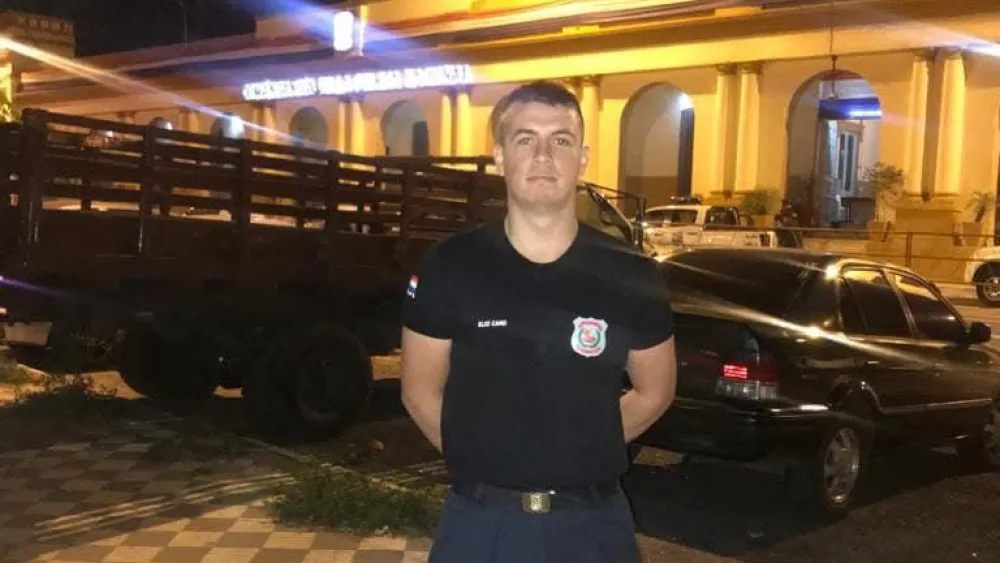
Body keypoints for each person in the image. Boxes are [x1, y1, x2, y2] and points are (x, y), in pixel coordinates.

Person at [401, 81, 677, 562]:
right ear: (500, 156)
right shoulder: (451, 265)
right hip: (479, 526)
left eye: (561, 141)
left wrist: (579, 449)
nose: (543, 156)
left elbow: (655, 391)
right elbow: (419, 391)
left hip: (593, 526)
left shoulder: (632, 273)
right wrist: (482, 458)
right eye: (525, 139)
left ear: (583, 159)